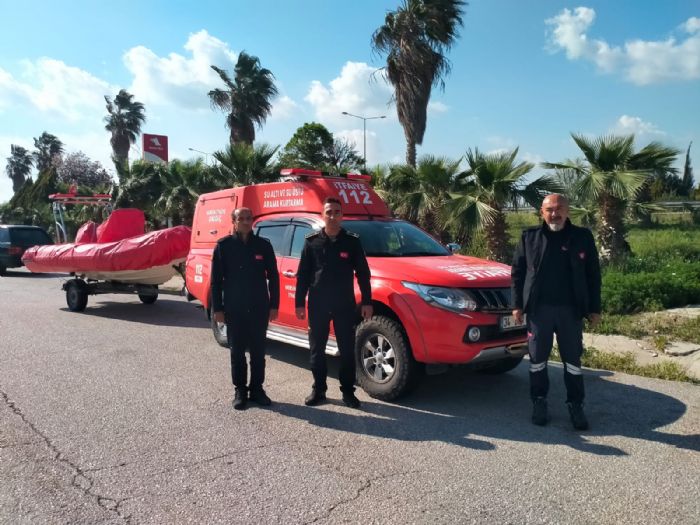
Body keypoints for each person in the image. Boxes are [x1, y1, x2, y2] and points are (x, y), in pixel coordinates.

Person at [511, 194, 601, 430]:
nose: (555, 214)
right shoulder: (529, 237)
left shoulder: (582, 237)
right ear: (542, 212)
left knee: (572, 361)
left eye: (559, 209)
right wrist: (517, 305)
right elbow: (517, 274)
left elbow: (593, 275)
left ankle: (576, 405)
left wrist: (594, 308)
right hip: (539, 311)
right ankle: (539, 401)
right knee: (537, 360)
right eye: (550, 209)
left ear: (568, 211)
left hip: (570, 312)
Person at [295, 197, 373, 409]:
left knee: (346, 350)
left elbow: (363, 274)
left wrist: (367, 301)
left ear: (342, 215)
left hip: (344, 304)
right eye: (329, 212)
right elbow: (303, 275)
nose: (332, 216)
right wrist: (299, 303)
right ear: (323, 214)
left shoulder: (352, 241)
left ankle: (348, 392)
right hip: (318, 304)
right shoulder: (311, 241)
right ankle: (318, 390)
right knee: (316, 349)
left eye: (337, 212)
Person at [211, 207, 280, 411]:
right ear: (233, 221)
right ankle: (240, 390)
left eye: (248, 218)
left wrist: (274, 305)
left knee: (258, 352)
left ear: (252, 221)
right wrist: (218, 308)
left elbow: (274, 277)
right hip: (235, 307)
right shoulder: (223, 246)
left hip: (259, 307)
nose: (245, 221)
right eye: (241, 218)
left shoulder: (263, 245)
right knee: (237, 352)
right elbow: (216, 281)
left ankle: (257, 389)